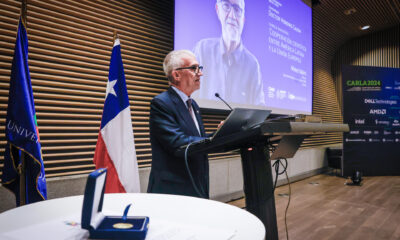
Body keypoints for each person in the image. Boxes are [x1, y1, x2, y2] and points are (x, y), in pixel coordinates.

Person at [147, 50, 210, 198]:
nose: (200, 73)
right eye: (194, 68)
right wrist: (213, 140)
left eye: (200, 68)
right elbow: (178, 142)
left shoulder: (193, 104)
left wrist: (222, 133)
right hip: (173, 190)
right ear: (176, 75)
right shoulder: (161, 103)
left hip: (197, 185)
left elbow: (197, 138)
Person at [193, 0, 265, 106]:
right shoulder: (202, 49)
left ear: (243, 19)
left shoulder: (252, 64)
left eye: (237, 9)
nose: (232, 15)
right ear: (218, 10)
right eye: (226, 6)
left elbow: (259, 108)